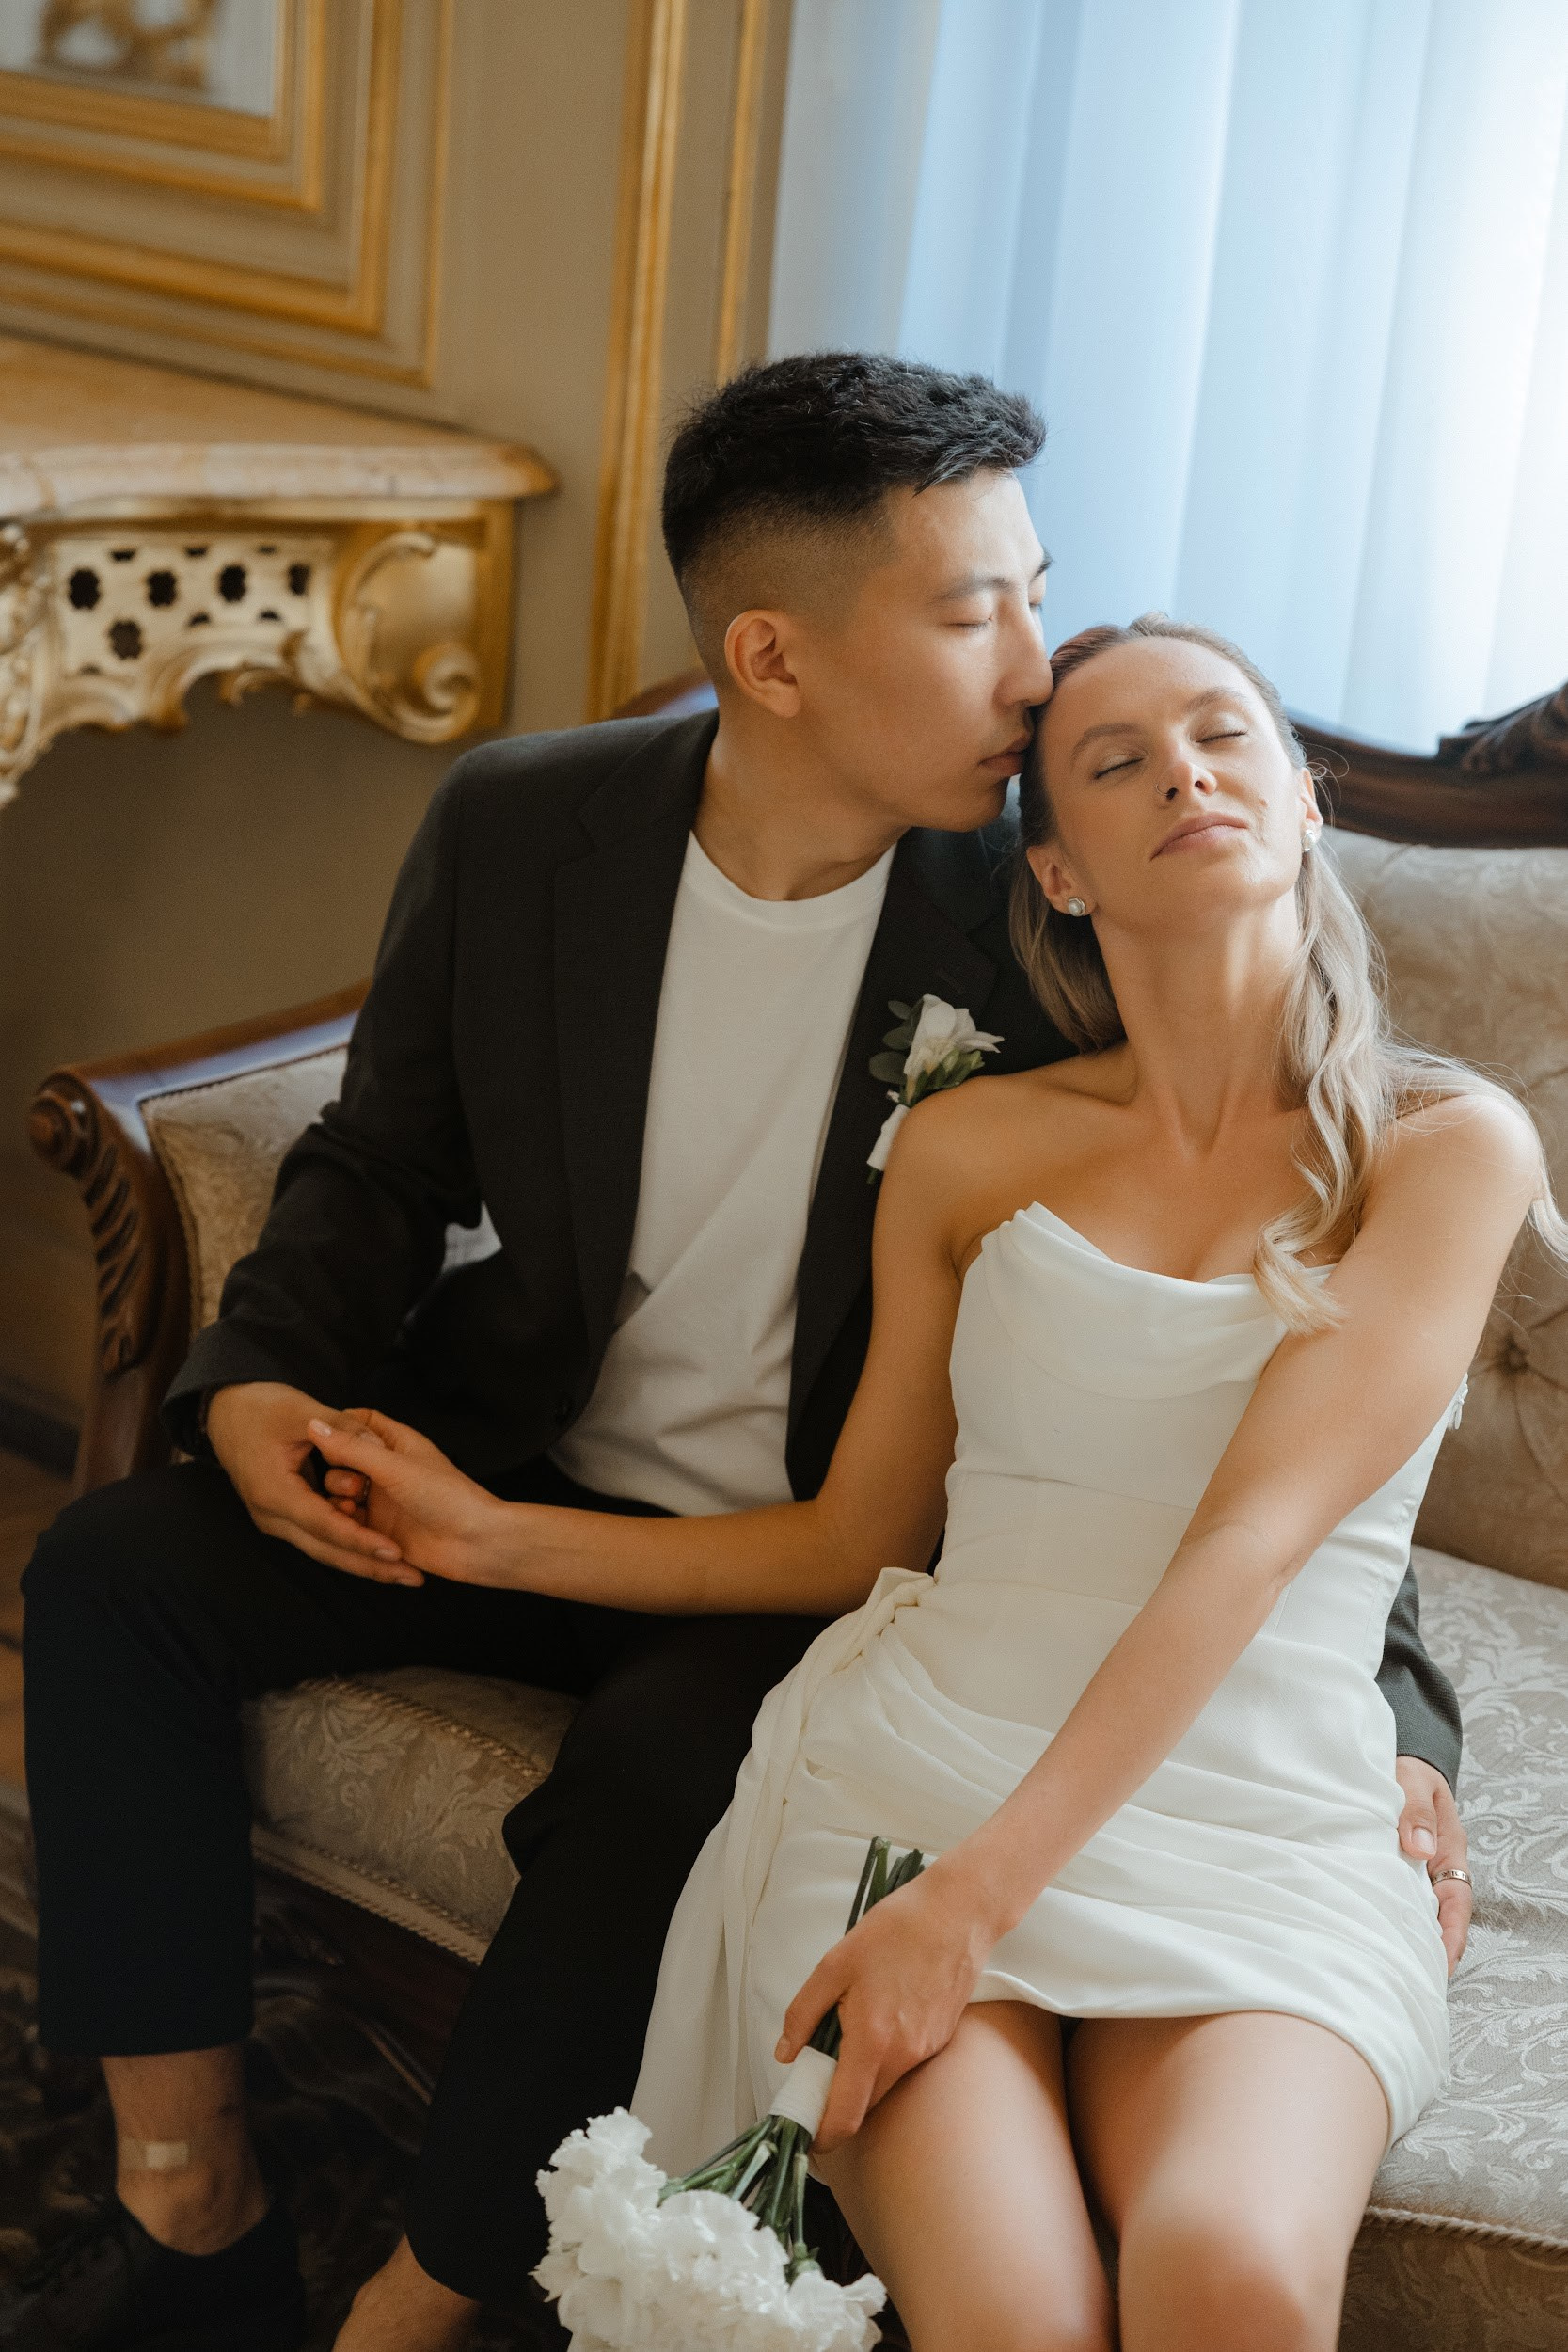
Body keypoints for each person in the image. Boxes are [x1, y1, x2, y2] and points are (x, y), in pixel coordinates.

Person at [14, 361, 1468, 2352]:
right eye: (974, 612)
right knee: (112, 1572)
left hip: (813, 1567)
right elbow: (381, 1158)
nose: (1034, 672)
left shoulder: (1047, 903)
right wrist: (260, 1378)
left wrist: (1394, 1711)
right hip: (510, 1465)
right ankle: (194, 2214)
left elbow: (1238, 1335)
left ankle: (435, 2288)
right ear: (772, 655)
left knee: (664, 1776)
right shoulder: (524, 826)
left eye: (1039, 594)